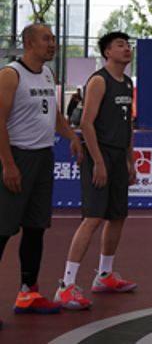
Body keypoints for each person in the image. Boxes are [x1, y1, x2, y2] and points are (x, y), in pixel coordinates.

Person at [0, 24, 83, 323]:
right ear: (29, 43)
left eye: (54, 39)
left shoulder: (47, 74)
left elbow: (54, 115)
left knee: (35, 228)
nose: (52, 44)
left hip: (43, 157)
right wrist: (8, 163)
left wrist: (71, 136)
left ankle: (28, 292)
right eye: (46, 39)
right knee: (2, 230)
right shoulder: (11, 75)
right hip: (17, 157)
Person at [56, 32, 136, 311]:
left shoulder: (127, 83)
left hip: (118, 155)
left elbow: (127, 126)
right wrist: (99, 162)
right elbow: (86, 123)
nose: (127, 49)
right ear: (107, 53)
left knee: (117, 217)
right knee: (92, 218)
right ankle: (66, 285)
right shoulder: (99, 81)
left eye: (128, 45)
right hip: (99, 154)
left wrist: (130, 160)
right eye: (120, 45)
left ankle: (104, 275)